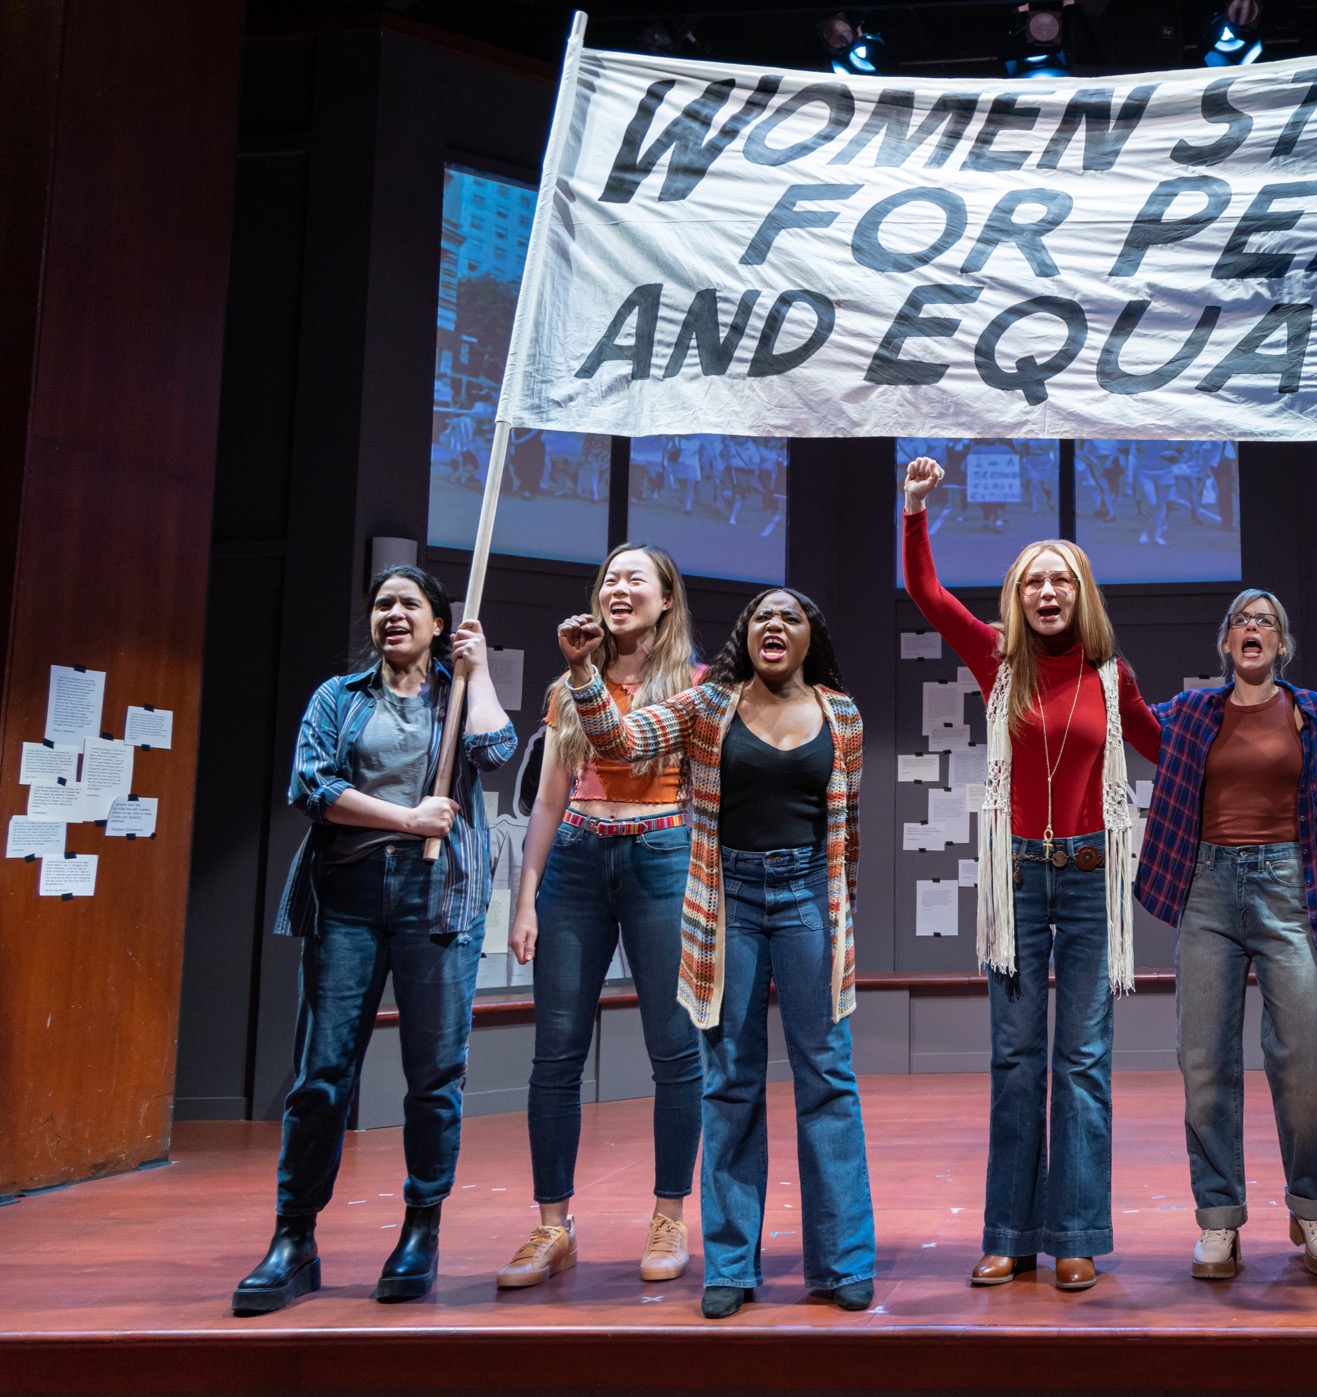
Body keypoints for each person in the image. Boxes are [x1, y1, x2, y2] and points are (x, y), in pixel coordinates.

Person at [561, 587, 873, 1320]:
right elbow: (622, 743)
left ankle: (842, 1261)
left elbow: (847, 831)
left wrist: (839, 918)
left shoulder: (843, 715)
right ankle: (730, 1263)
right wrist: (583, 676)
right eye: (761, 614)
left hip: (807, 901)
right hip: (727, 899)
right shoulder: (710, 705)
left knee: (826, 1076)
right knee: (729, 1077)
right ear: (746, 634)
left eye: (790, 616)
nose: (774, 623)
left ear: (809, 637)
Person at [901, 456, 1163, 1294]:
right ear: (1017, 597)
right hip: (1015, 879)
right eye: (1032, 582)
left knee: (1082, 1061)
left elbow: (1174, 748)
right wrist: (914, 511)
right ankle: (1010, 1232)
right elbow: (928, 595)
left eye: (1060, 580)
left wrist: (1253, 731)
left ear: (1081, 594)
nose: (1046, 593)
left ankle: (1076, 1230)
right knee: (1017, 1061)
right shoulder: (996, 662)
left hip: (1091, 876)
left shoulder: (1110, 678)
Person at [233, 565, 516, 1314]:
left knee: (434, 1077)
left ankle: (421, 1228)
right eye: (383, 603)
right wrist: (406, 819)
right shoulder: (338, 697)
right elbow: (312, 788)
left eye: (409, 604)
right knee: (321, 1073)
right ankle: (294, 1237)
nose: (394, 613)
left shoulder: (458, 698)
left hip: (438, 897)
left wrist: (477, 670)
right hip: (350, 893)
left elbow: (497, 749)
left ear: (437, 621)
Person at [1138, 590, 1317, 1280]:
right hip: (1207, 887)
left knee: (1308, 1055)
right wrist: (1111, 676)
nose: (1251, 628)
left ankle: (1312, 1204)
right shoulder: (1192, 712)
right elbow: (1134, 726)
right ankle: (1218, 1220)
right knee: (1204, 1059)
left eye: (1265, 621)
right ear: (1226, 643)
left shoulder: (1312, 712)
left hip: (1288, 885)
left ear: (1281, 644)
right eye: (1240, 621)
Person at [496, 544, 703, 1290]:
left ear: (666, 598)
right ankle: (553, 1225)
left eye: (634, 579)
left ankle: (669, 1213)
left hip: (660, 853)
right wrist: (526, 897)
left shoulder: (696, 686)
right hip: (579, 856)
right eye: (609, 579)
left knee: (673, 1048)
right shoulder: (565, 688)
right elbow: (549, 798)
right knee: (556, 1049)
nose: (618, 589)